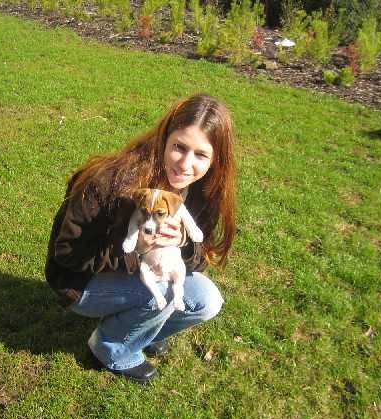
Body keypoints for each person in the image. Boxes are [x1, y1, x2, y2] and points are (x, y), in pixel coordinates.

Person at [45, 94, 237, 383]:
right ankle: (108, 349)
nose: (185, 164)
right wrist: (136, 249)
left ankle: (144, 331)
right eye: (179, 147)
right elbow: (67, 252)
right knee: (162, 292)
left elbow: (201, 259)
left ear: (215, 160)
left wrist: (183, 242)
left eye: (201, 155)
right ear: (164, 138)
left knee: (206, 301)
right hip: (80, 282)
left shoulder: (201, 190)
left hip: (138, 270)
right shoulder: (112, 181)